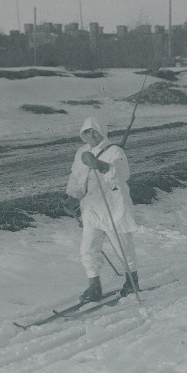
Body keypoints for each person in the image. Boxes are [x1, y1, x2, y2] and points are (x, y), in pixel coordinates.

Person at [65, 117, 140, 303]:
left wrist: (101, 165)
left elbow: (123, 174)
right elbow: (77, 178)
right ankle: (94, 287)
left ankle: (132, 283)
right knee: (88, 249)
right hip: (92, 209)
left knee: (123, 248)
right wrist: (71, 198)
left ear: (100, 131)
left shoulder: (115, 151)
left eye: (94, 131)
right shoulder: (81, 152)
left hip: (114, 207)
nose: (90, 135)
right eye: (87, 132)